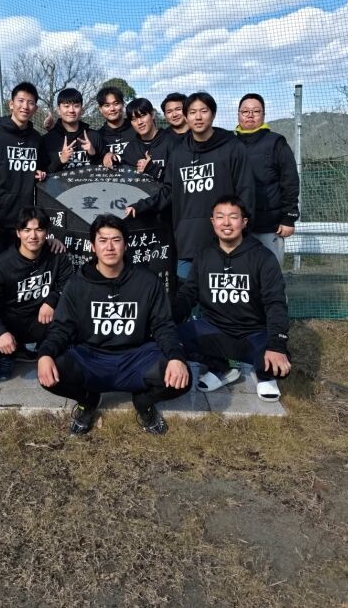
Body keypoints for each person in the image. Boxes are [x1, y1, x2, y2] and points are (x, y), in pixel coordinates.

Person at [37, 214, 191, 435]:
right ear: (93, 247)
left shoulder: (147, 281)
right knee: (51, 371)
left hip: (135, 357)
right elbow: (61, 328)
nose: (109, 247)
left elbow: (163, 325)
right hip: (91, 357)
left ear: (125, 245)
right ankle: (88, 400)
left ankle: (143, 402)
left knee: (181, 377)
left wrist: (176, 357)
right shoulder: (77, 284)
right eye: (103, 240)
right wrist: (45, 354)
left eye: (116, 240)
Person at [126, 92, 255, 281]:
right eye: (193, 112)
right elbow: (168, 191)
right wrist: (140, 206)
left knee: (221, 295)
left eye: (204, 111)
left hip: (226, 240)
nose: (198, 117)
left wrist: (243, 230)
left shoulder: (233, 147)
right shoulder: (179, 153)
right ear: (186, 117)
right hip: (188, 241)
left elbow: (245, 190)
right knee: (187, 294)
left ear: (213, 114)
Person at [172, 195, 291, 401]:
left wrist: (276, 346)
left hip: (254, 332)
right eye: (220, 217)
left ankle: (264, 376)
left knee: (278, 364)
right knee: (169, 338)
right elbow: (188, 294)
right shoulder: (204, 255)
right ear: (213, 221)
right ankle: (222, 368)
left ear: (244, 222)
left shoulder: (263, 257)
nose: (226, 223)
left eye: (233, 217)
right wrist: (166, 317)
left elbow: (275, 303)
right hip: (215, 329)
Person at [0, 207, 74, 381]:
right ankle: (8, 355)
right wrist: (0, 332)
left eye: (39, 229)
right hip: (10, 321)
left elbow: (69, 284)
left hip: (40, 319)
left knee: (72, 331)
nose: (33, 236)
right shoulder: (1, 264)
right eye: (27, 230)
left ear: (47, 232)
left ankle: (43, 351)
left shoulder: (57, 255)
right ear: (18, 233)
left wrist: (52, 300)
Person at [0, 82, 48, 254]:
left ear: (35, 108)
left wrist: (41, 173)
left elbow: (43, 168)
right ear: (11, 104)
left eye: (30, 102)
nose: (25, 106)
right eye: (21, 101)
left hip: (26, 224)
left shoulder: (36, 139)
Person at [236, 93, 300, 267]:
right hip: (238, 226)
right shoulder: (230, 144)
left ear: (263, 115)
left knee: (270, 274)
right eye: (245, 111)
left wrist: (288, 218)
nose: (250, 115)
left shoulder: (276, 143)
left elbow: (290, 181)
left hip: (270, 225)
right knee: (242, 276)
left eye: (256, 111)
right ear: (238, 114)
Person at [42, 88, 103, 172]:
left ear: (81, 109)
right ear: (59, 110)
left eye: (76, 106)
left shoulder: (94, 136)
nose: (71, 110)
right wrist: (60, 161)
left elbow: (104, 168)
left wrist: (93, 154)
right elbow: (42, 172)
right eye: (66, 106)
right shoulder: (47, 139)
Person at [120, 97, 176, 181]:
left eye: (142, 116)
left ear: (152, 114)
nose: (139, 122)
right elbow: (127, 180)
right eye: (134, 119)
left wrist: (152, 168)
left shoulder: (172, 142)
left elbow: (179, 178)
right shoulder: (130, 149)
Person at [96, 86, 137, 169]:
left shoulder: (137, 129)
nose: (112, 109)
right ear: (100, 109)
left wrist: (117, 157)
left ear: (123, 104)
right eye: (107, 105)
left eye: (116, 104)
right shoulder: (98, 136)